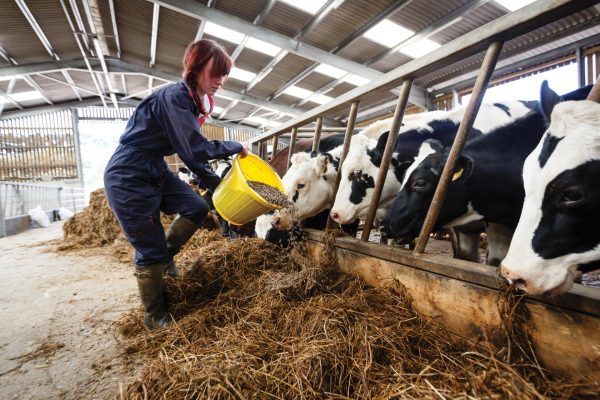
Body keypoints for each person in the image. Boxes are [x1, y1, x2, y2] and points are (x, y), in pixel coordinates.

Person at [104, 39, 249, 330]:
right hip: (128, 173)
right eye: (215, 73)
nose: (220, 81)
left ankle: (166, 260)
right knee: (149, 245)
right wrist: (235, 146)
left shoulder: (190, 103)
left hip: (154, 166)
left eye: (224, 75)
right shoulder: (174, 97)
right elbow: (194, 148)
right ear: (195, 69)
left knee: (195, 206)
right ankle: (154, 316)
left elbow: (187, 151)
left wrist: (216, 184)